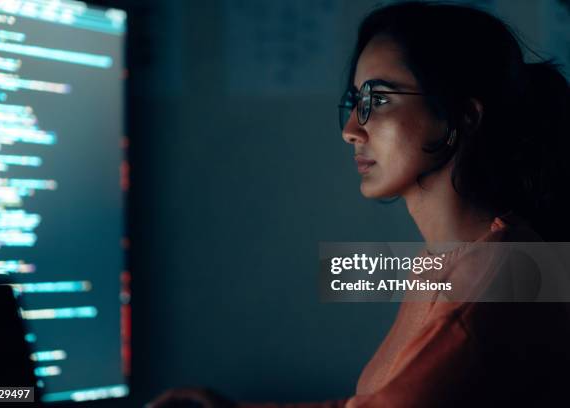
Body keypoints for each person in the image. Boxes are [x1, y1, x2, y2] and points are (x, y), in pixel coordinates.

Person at [149, 2, 570, 407]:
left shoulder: (504, 276)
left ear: (462, 116)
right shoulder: (438, 262)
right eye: (355, 102)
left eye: (380, 99)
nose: (352, 129)